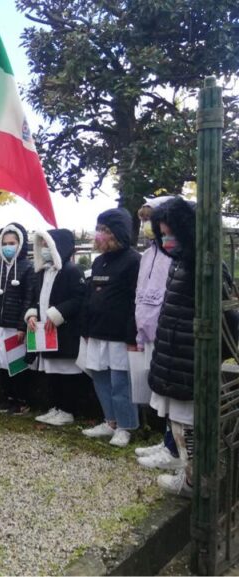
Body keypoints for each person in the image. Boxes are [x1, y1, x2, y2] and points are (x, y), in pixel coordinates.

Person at [147, 197, 198, 497]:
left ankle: (193, 480)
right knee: (178, 422)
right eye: (162, 234)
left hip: (187, 358)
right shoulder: (179, 263)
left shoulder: (202, 264)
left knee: (187, 423)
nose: (166, 240)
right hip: (174, 355)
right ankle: (190, 476)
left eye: (171, 234)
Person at [80, 208, 140, 447]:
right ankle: (110, 421)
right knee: (100, 377)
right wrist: (85, 328)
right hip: (96, 332)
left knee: (120, 382)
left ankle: (126, 426)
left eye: (104, 230)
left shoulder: (133, 260)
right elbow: (88, 296)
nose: (99, 235)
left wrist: (132, 335)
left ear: (118, 232)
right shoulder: (98, 261)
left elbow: (136, 300)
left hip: (119, 335)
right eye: (98, 229)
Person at [131, 198, 182, 471]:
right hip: (148, 328)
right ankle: (166, 441)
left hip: (167, 330)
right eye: (145, 220)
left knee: (170, 392)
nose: (148, 226)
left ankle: (173, 446)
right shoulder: (149, 254)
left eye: (152, 219)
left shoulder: (173, 253)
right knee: (160, 391)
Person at [26, 229, 87, 426]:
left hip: (64, 331)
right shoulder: (43, 273)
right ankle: (56, 406)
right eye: (41, 245)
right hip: (46, 332)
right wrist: (33, 314)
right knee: (51, 373)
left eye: (47, 245)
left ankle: (67, 410)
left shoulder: (71, 271)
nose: (43, 249)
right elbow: (38, 299)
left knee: (66, 373)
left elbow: (79, 299)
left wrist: (57, 313)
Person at [0, 223, 35, 415]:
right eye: (4, 243)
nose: (7, 246)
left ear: (20, 244)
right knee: (0, 363)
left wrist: (22, 326)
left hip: (15, 326)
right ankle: (7, 398)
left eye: (12, 243)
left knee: (17, 364)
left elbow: (29, 298)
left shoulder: (28, 267)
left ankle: (21, 401)